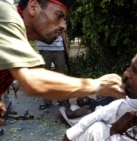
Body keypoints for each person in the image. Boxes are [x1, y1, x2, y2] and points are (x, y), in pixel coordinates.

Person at [0, 0, 125, 131]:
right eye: (58, 16)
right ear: (33, 7)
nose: (64, 26)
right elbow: (32, 81)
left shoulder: (16, 34)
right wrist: (98, 85)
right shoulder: (7, 14)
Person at [37, 30, 68, 110]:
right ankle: (46, 100)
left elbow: (63, 31)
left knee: (61, 75)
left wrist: (66, 48)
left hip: (59, 48)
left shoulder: (60, 17)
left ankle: (61, 100)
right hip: (44, 47)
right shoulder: (38, 16)